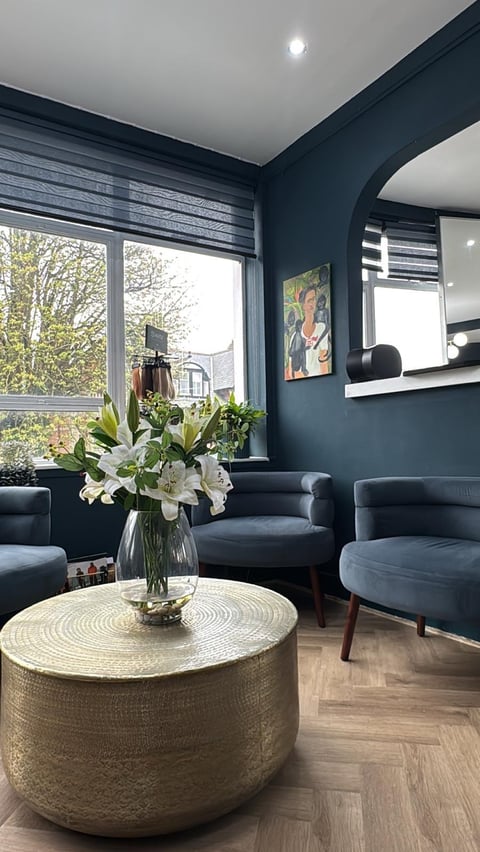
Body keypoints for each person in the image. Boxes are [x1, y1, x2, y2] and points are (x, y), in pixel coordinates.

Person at [298, 285, 327, 376]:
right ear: (303, 305)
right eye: (309, 301)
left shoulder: (321, 328)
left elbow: (323, 360)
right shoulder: (296, 336)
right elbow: (293, 370)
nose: (313, 303)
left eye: (314, 299)